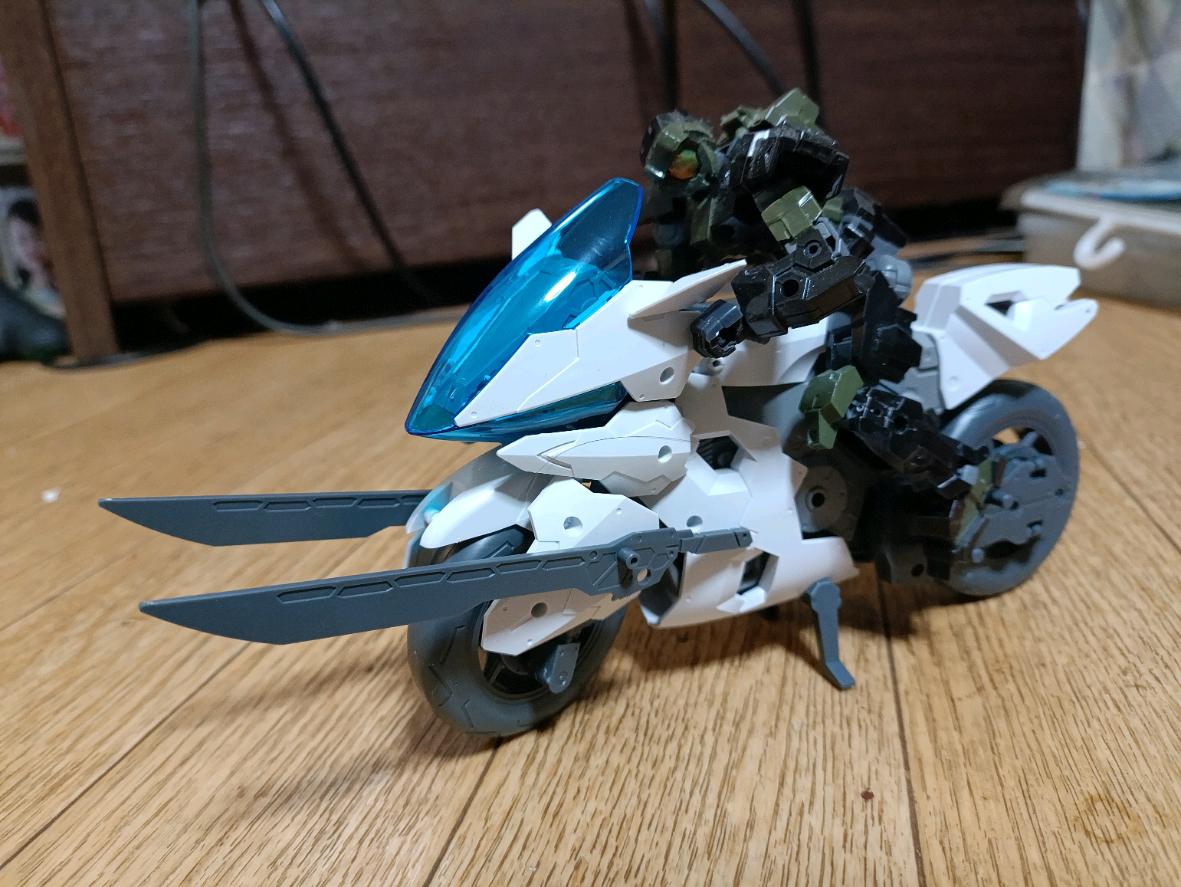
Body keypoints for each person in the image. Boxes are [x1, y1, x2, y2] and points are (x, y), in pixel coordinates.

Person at [640, 90, 986, 532]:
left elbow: (822, 265)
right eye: (672, 170)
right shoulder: (683, 206)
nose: (684, 173)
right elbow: (675, 281)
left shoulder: (756, 168)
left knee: (851, 402)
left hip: (849, 276)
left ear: (702, 141)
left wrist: (742, 316)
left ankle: (969, 483)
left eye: (686, 159)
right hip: (776, 294)